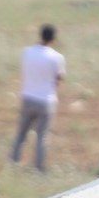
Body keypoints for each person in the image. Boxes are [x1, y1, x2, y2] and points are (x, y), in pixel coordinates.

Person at [10, 23, 66, 172]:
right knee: (42, 137)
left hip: (28, 97)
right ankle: (39, 168)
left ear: (40, 35)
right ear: (54, 38)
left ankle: (13, 164)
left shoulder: (28, 52)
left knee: (21, 134)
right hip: (46, 100)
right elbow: (58, 80)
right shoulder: (57, 57)